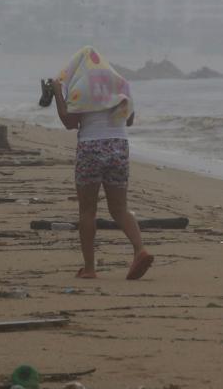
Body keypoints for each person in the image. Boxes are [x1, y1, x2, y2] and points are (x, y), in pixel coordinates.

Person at [49, 47, 152, 280]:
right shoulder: (120, 83)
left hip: (91, 147)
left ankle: (90, 268)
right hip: (118, 145)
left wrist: (58, 93)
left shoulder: (81, 87)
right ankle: (140, 250)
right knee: (119, 209)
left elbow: (69, 122)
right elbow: (130, 118)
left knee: (87, 211)